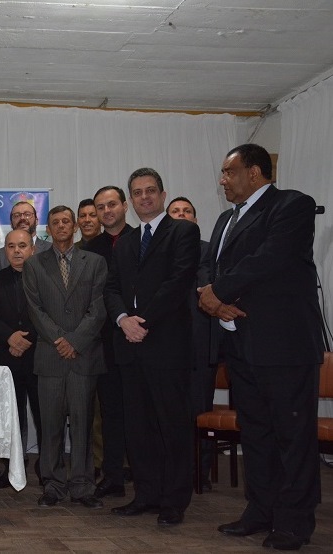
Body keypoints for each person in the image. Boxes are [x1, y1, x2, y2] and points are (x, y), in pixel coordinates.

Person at [199, 144, 323, 550]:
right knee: (256, 435)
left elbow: (270, 258)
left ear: (254, 173)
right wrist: (211, 294)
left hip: (282, 344)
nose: (222, 180)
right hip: (241, 344)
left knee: (292, 437)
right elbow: (213, 267)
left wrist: (217, 291)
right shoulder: (225, 219)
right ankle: (260, 510)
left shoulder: (292, 205)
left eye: (227, 172)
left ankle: (294, 522)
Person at [104, 168, 199, 526]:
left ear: (161, 194)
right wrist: (122, 319)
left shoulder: (183, 231)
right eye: (138, 192)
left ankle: (174, 501)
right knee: (138, 427)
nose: (145, 197)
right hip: (129, 346)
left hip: (166, 345)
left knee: (172, 426)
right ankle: (145, 494)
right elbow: (111, 288)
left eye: (150, 191)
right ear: (131, 200)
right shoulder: (126, 242)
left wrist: (142, 321)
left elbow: (178, 282)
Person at [23, 206, 107, 509]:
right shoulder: (34, 264)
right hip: (50, 356)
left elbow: (98, 309)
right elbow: (35, 309)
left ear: (74, 227)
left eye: (66, 222)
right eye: (55, 222)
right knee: (51, 425)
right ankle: (53, 485)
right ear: (49, 227)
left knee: (83, 424)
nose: (61, 226)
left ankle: (83, 487)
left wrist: (75, 341)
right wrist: (60, 339)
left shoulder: (95, 263)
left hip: (83, 357)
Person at [85, 185, 135, 500]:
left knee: (141, 413)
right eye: (100, 207)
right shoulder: (90, 249)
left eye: (111, 204)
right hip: (104, 343)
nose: (106, 211)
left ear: (124, 206)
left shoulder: (141, 239)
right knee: (111, 413)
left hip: (140, 338)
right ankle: (113, 476)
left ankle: (145, 477)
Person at [0, 229, 41, 489]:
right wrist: (10, 338)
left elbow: (49, 315)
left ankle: (47, 469)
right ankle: (11, 469)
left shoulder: (45, 278)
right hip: (6, 357)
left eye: (22, 246)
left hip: (38, 355)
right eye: (11, 246)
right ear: (5, 250)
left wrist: (24, 340)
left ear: (33, 249)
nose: (17, 251)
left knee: (43, 415)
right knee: (10, 416)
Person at [167, 196, 216, 489]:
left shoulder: (208, 250)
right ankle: (174, 471)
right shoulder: (159, 251)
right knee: (171, 413)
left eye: (187, 211)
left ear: (195, 220)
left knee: (199, 410)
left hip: (199, 346)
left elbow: (204, 285)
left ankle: (201, 473)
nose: (182, 215)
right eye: (176, 212)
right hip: (167, 346)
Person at [0, 201, 51, 272]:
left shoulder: (51, 249)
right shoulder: (0, 255)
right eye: (17, 215)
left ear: (37, 221)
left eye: (27, 214)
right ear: (11, 223)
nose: (22, 218)